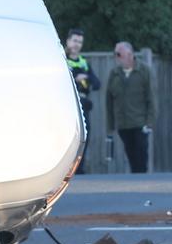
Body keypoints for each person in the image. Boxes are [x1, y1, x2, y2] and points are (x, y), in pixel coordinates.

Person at [106, 41, 155, 173]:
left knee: (141, 157)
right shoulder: (114, 73)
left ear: (129, 54)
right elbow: (108, 101)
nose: (116, 57)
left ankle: (143, 186)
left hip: (140, 124)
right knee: (131, 156)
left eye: (118, 54)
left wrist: (149, 123)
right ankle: (136, 186)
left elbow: (151, 98)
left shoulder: (144, 71)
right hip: (123, 125)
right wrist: (110, 126)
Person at [64, 28, 100, 172]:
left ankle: (80, 168)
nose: (77, 44)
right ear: (68, 41)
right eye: (74, 41)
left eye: (80, 42)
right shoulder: (63, 60)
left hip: (83, 106)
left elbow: (97, 84)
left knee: (84, 137)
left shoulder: (84, 63)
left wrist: (86, 77)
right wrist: (75, 77)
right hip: (68, 105)